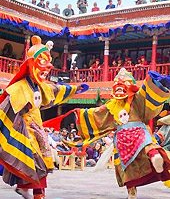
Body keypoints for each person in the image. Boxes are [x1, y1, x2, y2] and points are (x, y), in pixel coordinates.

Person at [0, 35, 88, 199]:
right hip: (24, 132)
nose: (47, 67)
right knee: (35, 161)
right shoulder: (18, 88)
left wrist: (75, 89)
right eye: (42, 62)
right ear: (31, 63)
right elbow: (3, 111)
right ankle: (35, 193)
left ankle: (29, 190)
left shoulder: (41, 88)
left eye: (49, 63)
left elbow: (57, 90)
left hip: (38, 130)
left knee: (42, 163)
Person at [64, 68, 170, 199]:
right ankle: (154, 158)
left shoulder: (130, 100)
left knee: (126, 167)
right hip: (137, 133)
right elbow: (147, 95)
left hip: (122, 138)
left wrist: (81, 114)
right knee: (147, 147)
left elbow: (96, 114)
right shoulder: (118, 104)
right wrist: (157, 84)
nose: (120, 91)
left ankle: (132, 191)